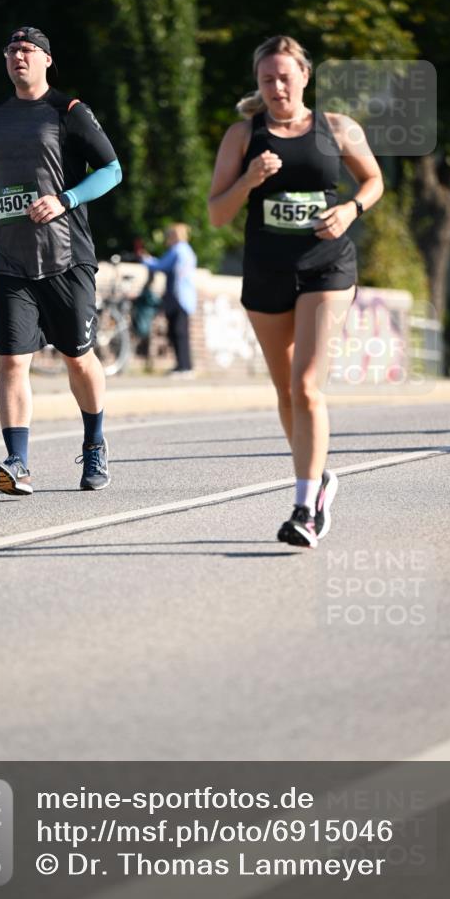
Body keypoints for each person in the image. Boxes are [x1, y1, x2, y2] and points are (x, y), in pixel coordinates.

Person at [208, 35, 383, 548]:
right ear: (258, 84)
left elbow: (372, 181)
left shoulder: (337, 128)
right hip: (266, 270)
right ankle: (320, 473)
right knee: (286, 392)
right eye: (267, 79)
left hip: (327, 267)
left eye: (286, 76)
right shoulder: (243, 136)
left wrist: (351, 210)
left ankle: (305, 506)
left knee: (307, 386)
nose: (277, 86)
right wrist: (250, 179)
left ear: (305, 76)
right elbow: (217, 213)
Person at [0, 26, 122, 495]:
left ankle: (94, 444)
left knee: (77, 357)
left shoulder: (68, 111)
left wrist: (66, 199)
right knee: (12, 360)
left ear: (47, 60)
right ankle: (18, 463)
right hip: (10, 259)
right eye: (11, 50)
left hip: (66, 256)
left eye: (28, 50)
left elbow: (112, 169)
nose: (18, 56)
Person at [139, 224, 198, 375]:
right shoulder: (187, 250)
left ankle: (184, 367)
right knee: (180, 332)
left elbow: (160, 266)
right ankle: (184, 365)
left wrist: (145, 260)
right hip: (185, 297)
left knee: (178, 332)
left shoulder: (178, 250)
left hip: (178, 297)